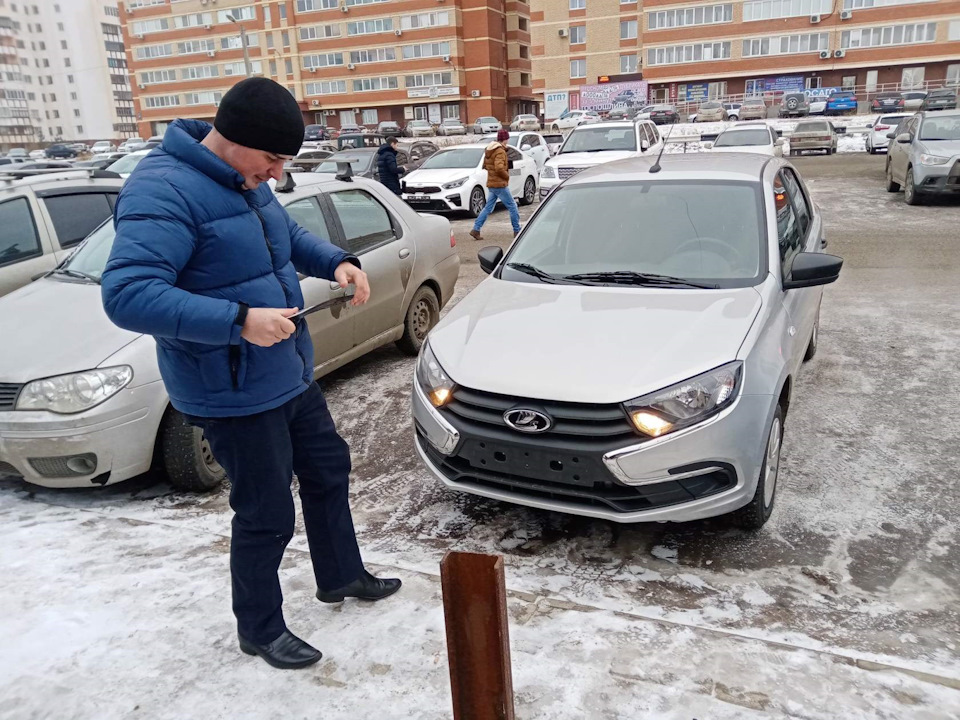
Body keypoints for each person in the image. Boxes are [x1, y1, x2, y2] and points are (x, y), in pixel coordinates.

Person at [100, 77, 400, 671]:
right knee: (265, 510)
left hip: (285, 370)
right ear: (231, 138)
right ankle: (259, 628)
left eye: (285, 160)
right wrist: (238, 320)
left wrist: (338, 261)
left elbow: (284, 237)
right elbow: (127, 294)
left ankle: (340, 576)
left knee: (327, 469)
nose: (277, 172)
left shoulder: (248, 180)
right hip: (230, 386)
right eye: (272, 158)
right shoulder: (162, 190)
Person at [469, 129, 521, 241]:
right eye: (507, 138)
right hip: (500, 184)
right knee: (512, 206)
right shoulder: (500, 151)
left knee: (488, 208)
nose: (508, 140)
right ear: (505, 139)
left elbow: (485, 166)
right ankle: (517, 230)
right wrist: (507, 176)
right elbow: (499, 168)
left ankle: (476, 229)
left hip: (492, 183)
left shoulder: (490, 149)